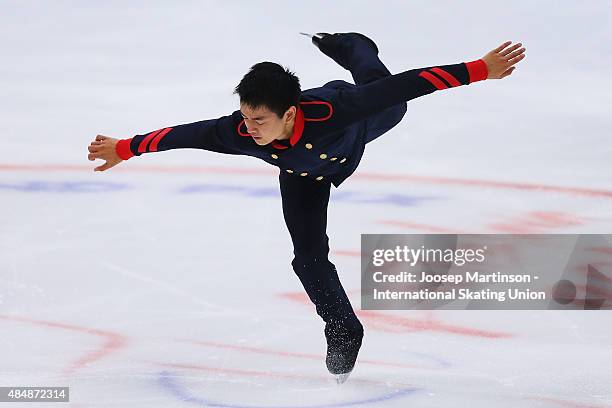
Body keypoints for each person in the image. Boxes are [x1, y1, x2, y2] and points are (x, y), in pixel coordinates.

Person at [87, 32, 526, 383]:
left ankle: (351, 44)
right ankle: (343, 329)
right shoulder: (240, 132)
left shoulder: (335, 110)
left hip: (360, 128)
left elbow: (411, 81)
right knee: (308, 258)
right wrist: (126, 148)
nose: (250, 129)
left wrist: (480, 69)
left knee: (385, 91)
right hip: (302, 177)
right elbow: (189, 133)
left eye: (260, 120)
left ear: (291, 113)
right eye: (245, 117)